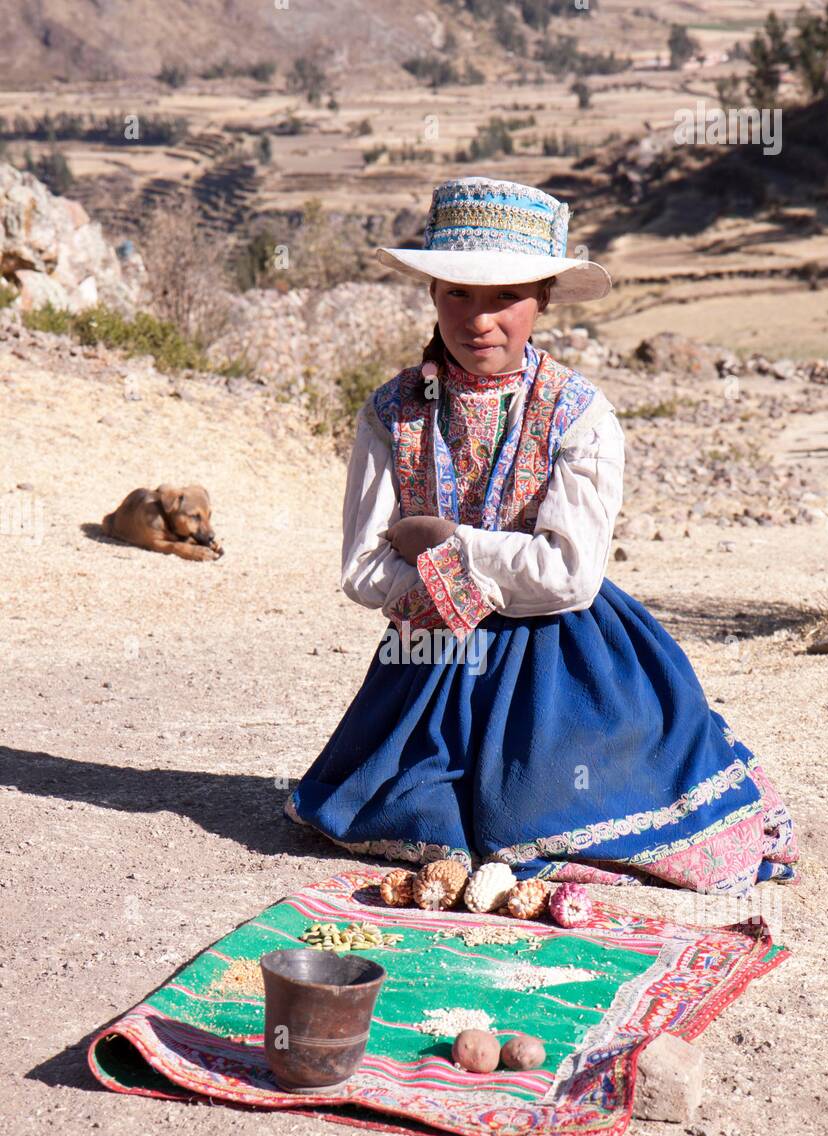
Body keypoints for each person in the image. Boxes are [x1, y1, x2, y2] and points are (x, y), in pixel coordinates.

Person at [286, 176, 799, 895]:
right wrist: (454, 589)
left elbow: (569, 574)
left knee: (543, 810)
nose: (480, 320)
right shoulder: (390, 413)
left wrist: (447, 542)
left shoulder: (581, 417)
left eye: (506, 297)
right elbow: (364, 570)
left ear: (543, 301)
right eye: (458, 294)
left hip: (566, 654)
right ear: (432, 293)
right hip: (427, 656)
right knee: (393, 806)